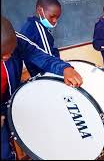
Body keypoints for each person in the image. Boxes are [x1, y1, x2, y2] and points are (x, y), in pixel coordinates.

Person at [1, 16, 83, 160]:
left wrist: (64, 68)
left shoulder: (17, 39)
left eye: (11, 51)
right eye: (2, 56)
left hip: (10, 100)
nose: (8, 56)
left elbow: (39, 55)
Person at [20, 0, 62, 77]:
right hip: (44, 76)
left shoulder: (30, 24)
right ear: (40, 11)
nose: (55, 20)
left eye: (57, 17)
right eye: (52, 16)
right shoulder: (39, 29)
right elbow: (48, 59)